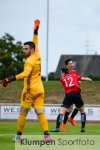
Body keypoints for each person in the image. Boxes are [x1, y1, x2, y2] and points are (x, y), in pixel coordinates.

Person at [1, 19, 50, 142]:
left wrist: (11, 78)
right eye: (23, 49)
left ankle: (18, 138)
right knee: (40, 112)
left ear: (31, 50)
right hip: (40, 89)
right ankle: (47, 136)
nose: (23, 51)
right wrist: (35, 30)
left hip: (29, 90)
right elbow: (35, 41)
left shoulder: (29, 61)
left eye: (25, 49)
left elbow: (25, 73)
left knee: (23, 113)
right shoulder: (37, 53)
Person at [50, 68, 92, 132]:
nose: (61, 74)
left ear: (63, 73)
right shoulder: (74, 75)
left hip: (68, 95)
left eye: (61, 73)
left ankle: (57, 128)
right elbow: (81, 78)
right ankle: (83, 128)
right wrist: (88, 79)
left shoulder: (62, 78)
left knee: (61, 112)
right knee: (82, 111)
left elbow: (64, 82)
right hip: (77, 94)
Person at [61, 57, 80, 132]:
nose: (72, 65)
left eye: (72, 63)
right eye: (70, 64)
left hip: (75, 92)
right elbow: (62, 81)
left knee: (79, 106)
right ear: (67, 65)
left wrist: (78, 82)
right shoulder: (65, 72)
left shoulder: (75, 72)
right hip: (69, 93)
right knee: (68, 109)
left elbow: (77, 79)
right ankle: (63, 124)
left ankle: (71, 118)